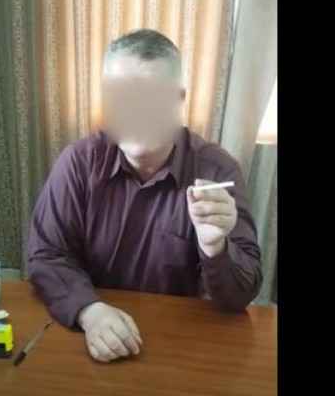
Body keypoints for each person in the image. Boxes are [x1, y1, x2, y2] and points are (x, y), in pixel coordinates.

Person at [28, 29, 262, 363]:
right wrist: (89, 310)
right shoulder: (79, 163)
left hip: (180, 348)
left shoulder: (217, 170)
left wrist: (216, 247)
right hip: (91, 338)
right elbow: (47, 255)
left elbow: (241, 295)